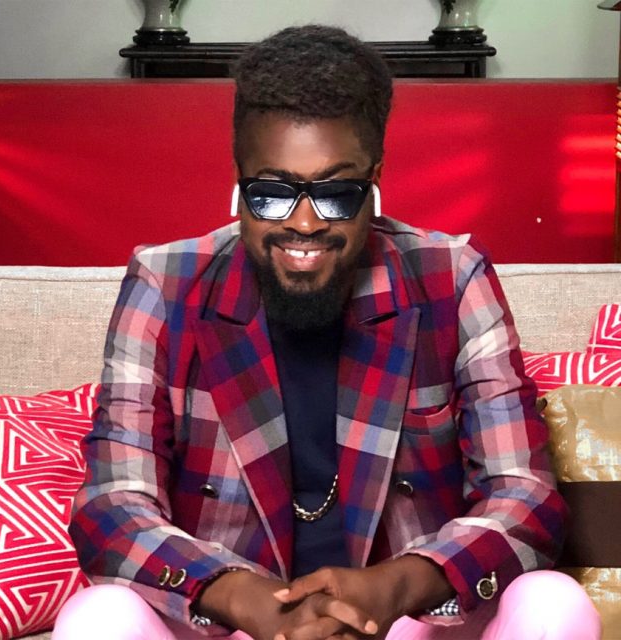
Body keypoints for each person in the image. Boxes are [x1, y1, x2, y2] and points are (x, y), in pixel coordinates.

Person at [55, 25, 601, 640]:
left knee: (553, 601)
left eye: (337, 194)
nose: (305, 223)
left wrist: (399, 585)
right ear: (238, 181)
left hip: (406, 621)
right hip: (235, 621)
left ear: (374, 183)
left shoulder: (451, 276)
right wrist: (240, 596)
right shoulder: (165, 282)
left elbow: (524, 494)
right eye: (271, 194)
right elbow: (113, 504)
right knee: (99, 617)